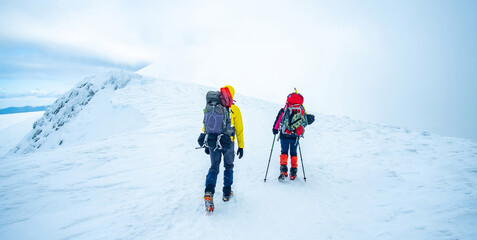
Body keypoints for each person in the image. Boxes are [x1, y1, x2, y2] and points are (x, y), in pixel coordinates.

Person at [198, 85, 244, 211]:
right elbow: (239, 130)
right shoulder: (234, 109)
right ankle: (226, 193)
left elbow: (205, 125)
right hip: (228, 143)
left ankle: (209, 192)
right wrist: (241, 146)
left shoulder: (212, 107)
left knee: (214, 167)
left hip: (213, 141)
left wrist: (207, 142)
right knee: (228, 166)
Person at [272, 92, 314, 181]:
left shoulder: (284, 110)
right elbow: (305, 121)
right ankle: (293, 172)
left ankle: (283, 171)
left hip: (284, 135)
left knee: (284, 152)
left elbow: (278, 121)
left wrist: (275, 130)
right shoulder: (301, 110)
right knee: (294, 153)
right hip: (295, 136)